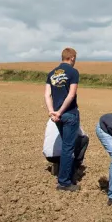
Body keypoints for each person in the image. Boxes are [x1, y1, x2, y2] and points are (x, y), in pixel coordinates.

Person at [44, 48, 81, 191]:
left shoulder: (51, 74)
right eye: (75, 58)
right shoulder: (73, 72)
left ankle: (68, 176)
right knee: (68, 147)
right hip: (69, 113)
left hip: (56, 116)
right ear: (71, 58)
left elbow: (47, 95)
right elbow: (71, 95)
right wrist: (60, 111)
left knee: (66, 145)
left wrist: (52, 112)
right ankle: (64, 182)